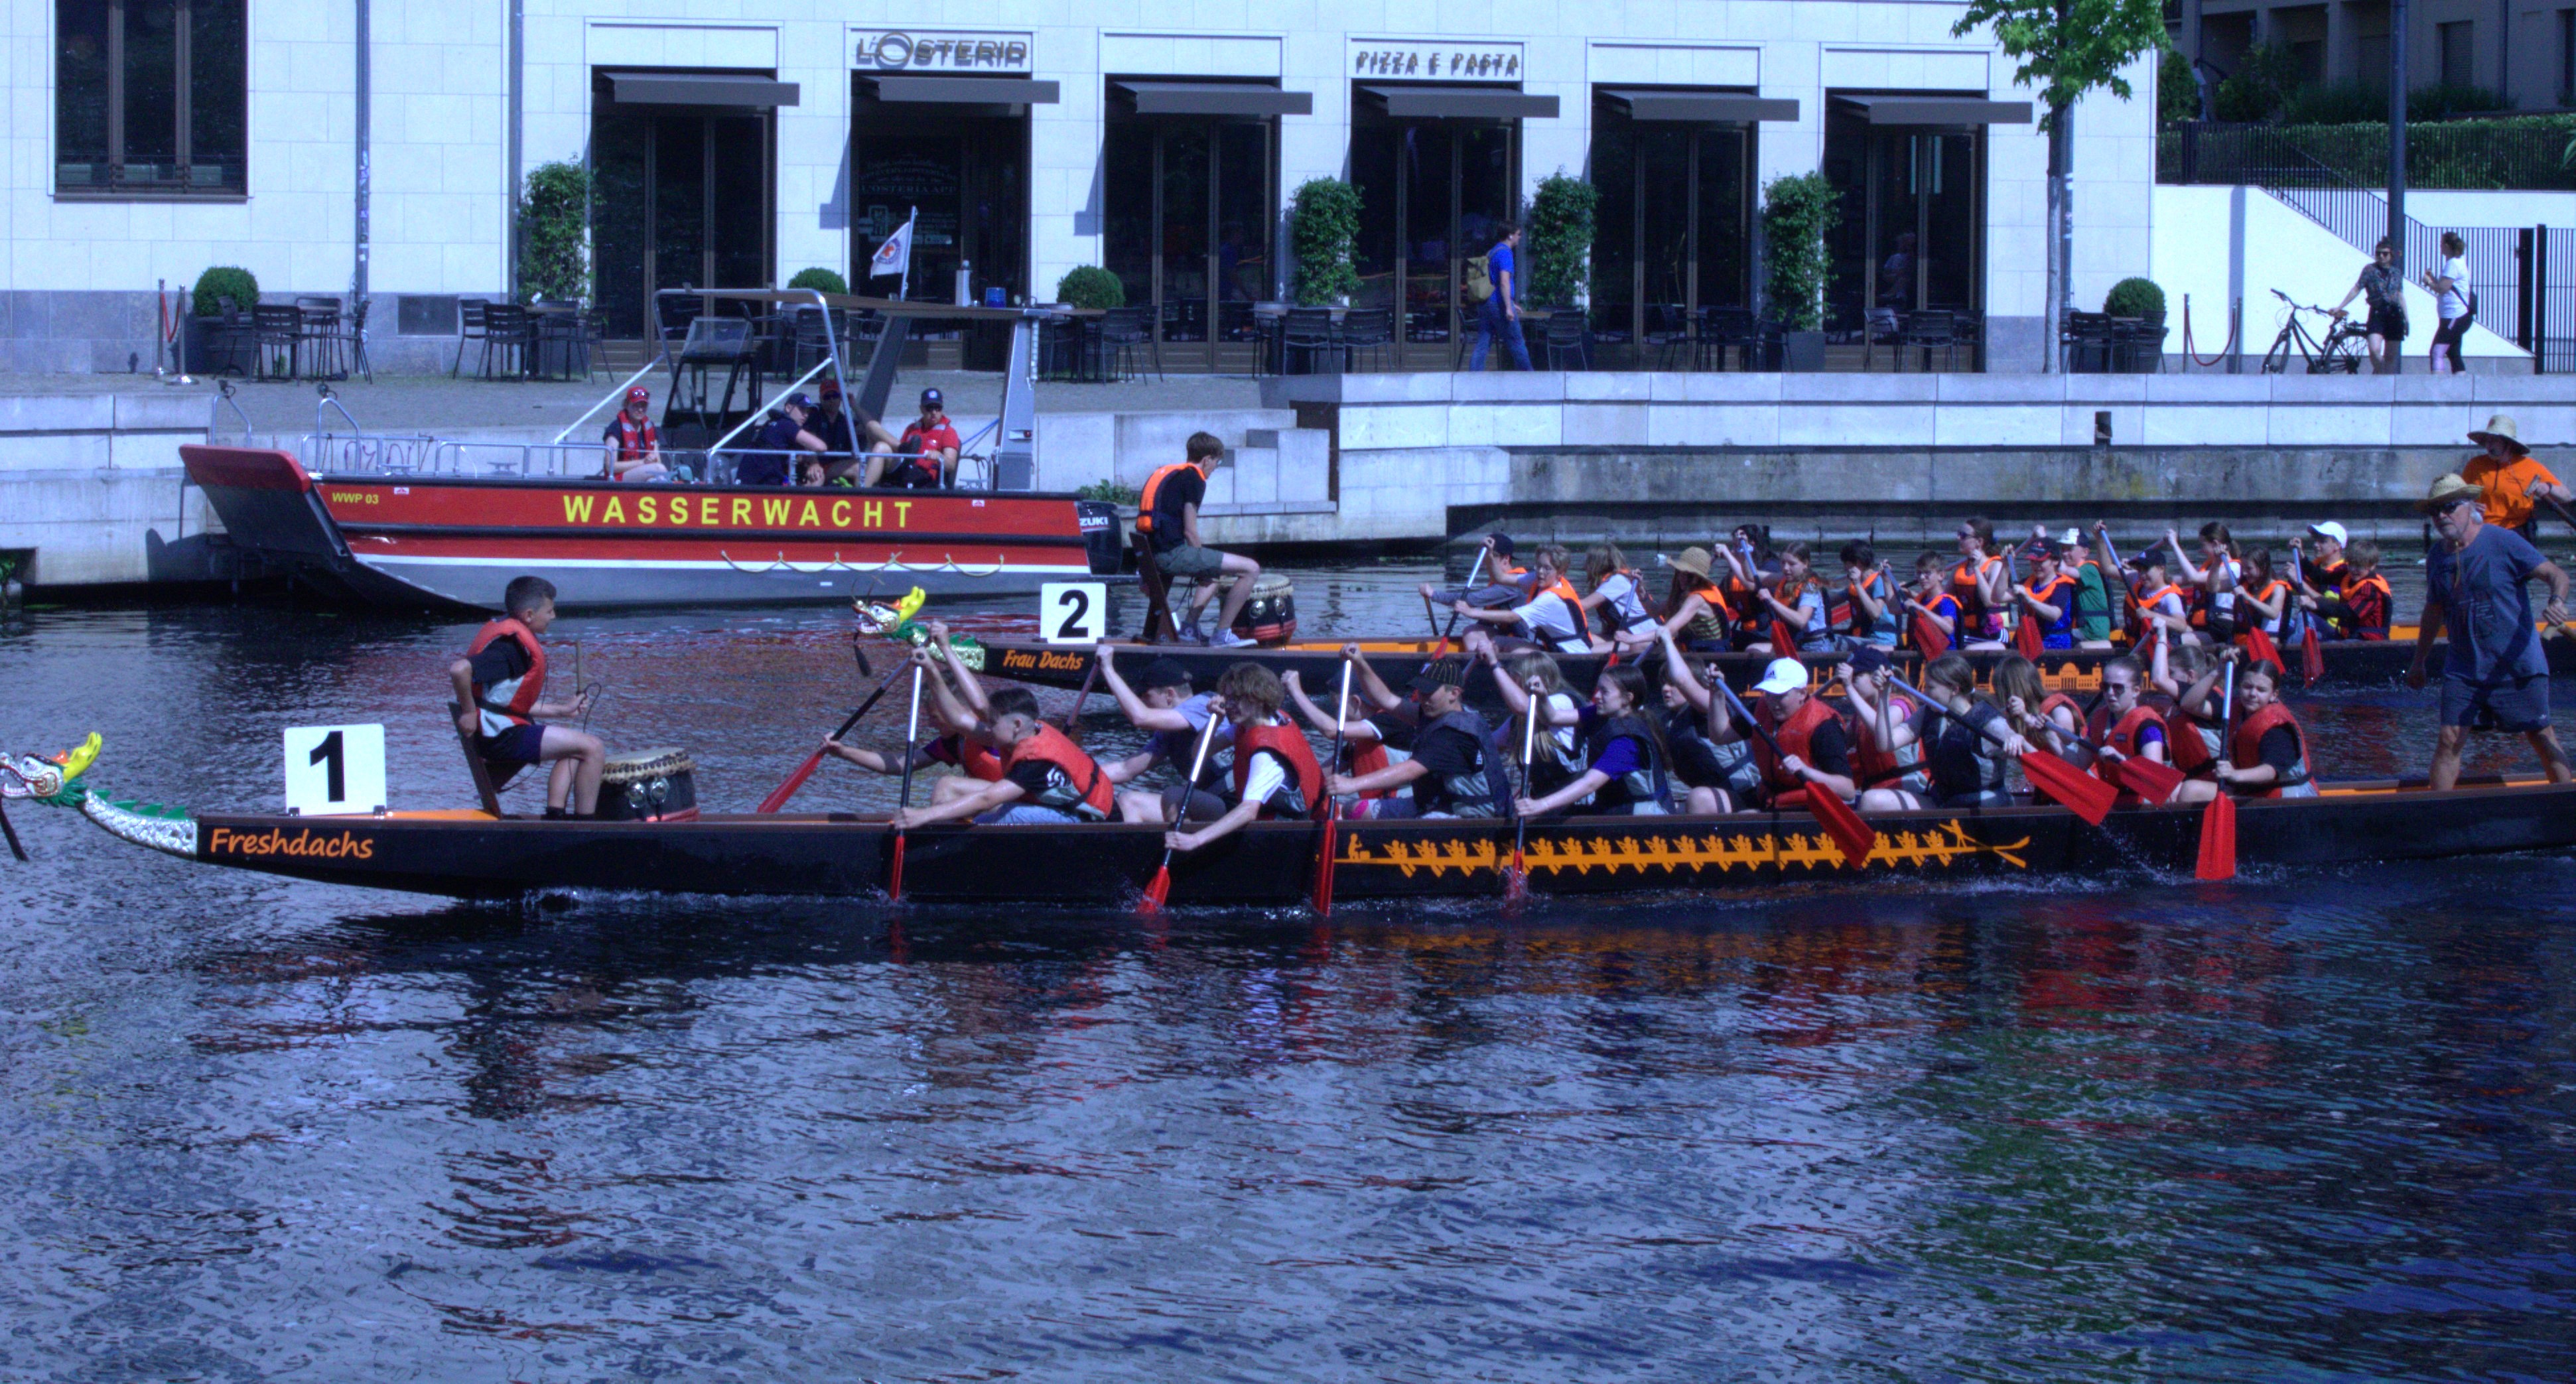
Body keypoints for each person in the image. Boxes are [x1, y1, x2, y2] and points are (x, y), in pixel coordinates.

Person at [2407, 472, 2576, 792]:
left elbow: (2557, 575)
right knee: (2449, 739)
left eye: (2449, 507)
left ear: (2470, 507)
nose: (2441, 516)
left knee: (2540, 735)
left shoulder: (2503, 541)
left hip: (2517, 664)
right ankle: (2435, 816)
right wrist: (2419, 661)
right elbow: (2433, 611)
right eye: (2435, 511)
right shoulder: (2436, 556)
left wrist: (2557, 601)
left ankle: (2566, 804)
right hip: (2464, 667)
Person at [446, 575, 603, 818]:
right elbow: (460, 670)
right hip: (501, 739)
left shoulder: (512, 641)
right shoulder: (510, 648)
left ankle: (557, 816)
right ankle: (587, 824)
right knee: (593, 748)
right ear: (529, 615)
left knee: (577, 746)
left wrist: (563, 709)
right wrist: (468, 713)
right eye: (549, 611)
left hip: (502, 733)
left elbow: (505, 707)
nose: (553, 617)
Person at [887, 686, 1116, 827]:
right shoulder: (1034, 729)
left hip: (1082, 820)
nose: (988, 730)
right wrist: (935, 662)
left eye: (993, 724)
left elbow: (987, 799)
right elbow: (975, 707)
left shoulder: (1036, 761)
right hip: (1070, 808)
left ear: (1016, 725)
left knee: (1007, 815)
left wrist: (924, 816)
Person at [1162, 663, 1323, 855]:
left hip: (1286, 832)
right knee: (1174, 796)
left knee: (1207, 827)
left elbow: (1249, 810)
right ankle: (1182, 849)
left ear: (1259, 699)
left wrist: (1196, 840)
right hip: (1260, 816)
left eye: (1237, 699)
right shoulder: (1254, 723)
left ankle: (1192, 847)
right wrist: (1215, 721)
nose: (1229, 705)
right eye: (1228, 698)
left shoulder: (1266, 754)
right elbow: (1199, 754)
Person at [1325, 659, 1511, 819]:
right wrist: (1360, 662)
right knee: (1352, 810)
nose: (1422, 699)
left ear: (1454, 693)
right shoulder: (1436, 713)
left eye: (1429, 693)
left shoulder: (1454, 736)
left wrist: (1352, 784)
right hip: (1435, 802)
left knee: (1413, 826)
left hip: (1466, 816)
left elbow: (1410, 770)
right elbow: (1387, 700)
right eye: (1420, 691)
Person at [1135, 431, 1261, 647]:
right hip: (1170, 555)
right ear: (1207, 460)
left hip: (1151, 554)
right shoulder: (1195, 479)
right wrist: (1202, 563)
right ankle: (1222, 635)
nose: (1214, 468)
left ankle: (1189, 630)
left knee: (1213, 571)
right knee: (1251, 569)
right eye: (1216, 463)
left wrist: (1206, 567)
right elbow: (1190, 532)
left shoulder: (1173, 475)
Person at [1501, 663, 1677, 818]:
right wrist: (1542, 697)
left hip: (1642, 819)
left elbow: (1590, 784)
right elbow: (1552, 717)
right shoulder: (1602, 714)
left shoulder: (1627, 741)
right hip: (1616, 808)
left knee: (1554, 813)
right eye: (1598, 689)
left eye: (1605, 692)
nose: (1597, 696)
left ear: (1627, 699)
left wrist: (1541, 805)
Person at [1094, 647, 1232, 824]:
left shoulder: (1204, 705)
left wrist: (1108, 669)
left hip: (1231, 800)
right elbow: (1126, 770)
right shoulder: (1169, 732)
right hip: (1210, 801)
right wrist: (1074, 773)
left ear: (1169, 695)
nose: (1142, 702)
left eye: (1146, 696)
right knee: (1129, 802)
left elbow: (1140, 717)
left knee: (1172, 794)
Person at [1897, 652, 2037, 810]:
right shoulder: (1929, 713)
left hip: (1981, 805)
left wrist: (2019, 740)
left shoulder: (1990, 723)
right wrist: (1884, 695)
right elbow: (1886, 743)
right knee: (1873, 800)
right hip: (1943, 801)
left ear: (1954, 689)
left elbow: (2036, 763)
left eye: (1931, 688)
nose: (1924, 693)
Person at [2172, 656, 2317, 802]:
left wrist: (2234, 775)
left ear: (2274, 695)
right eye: (2247, 687)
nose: (2252, 694)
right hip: (2255, 790)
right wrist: (2218, 671)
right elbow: (2188, 704)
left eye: (2261, 690)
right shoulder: (2235, 709)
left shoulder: (2278, 727)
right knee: (2186, 789)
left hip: (2287, 798)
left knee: (2191, 792)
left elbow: (2270, 771)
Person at [1653, 629, 1760, 813]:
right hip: (1714, 791)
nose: (1666, 689)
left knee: (1697, 798)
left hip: (1745, 794)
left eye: (1670, 684)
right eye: (1663, 683)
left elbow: (1683, 680)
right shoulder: (1669, 719)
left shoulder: (1710, 707)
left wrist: (1667, 640)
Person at [1731, 656, 1858, 810]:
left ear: (1802, 694)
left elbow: (1848, 790)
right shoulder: (1760, 709)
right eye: (1769, 694)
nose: (1773, 702)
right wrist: (1716, 694)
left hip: (1807, 807)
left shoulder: (1825, 726)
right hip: (1770, 799)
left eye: (1780, 695)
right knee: (1704, 798)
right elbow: (1718, 736)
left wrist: (1805, 770)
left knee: (1747, 817)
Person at [1452, 543, 1596, 655]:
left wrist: (1471, 612)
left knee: (1514, 651)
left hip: (1569, 655)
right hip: (1552, 648)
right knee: (1497, 642)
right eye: (1539, 566)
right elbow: (1500, 577)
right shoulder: (1539, 579)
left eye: (1547, 568)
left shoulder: (1551, 599)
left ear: (1560, 573)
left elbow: (1513, 616)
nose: (1540, 572)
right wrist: (1489, 555)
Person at [1838, 646, 1932, 813]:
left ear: (1877, 676)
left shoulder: (1900, 705)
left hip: (1912, 791)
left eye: (1857, 677)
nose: (1852, 682)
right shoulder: (1861, 715)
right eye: (1850, 678)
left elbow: (1878, 728)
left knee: (1870, 800)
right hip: (1880, 792)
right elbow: (1839, 748)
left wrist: (1848, 688)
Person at [2077, 655, 2174, 805]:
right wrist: (2049, 734)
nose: (2110, 693)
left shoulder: (2148, 726)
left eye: (2118, 688)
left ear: (2136, 691)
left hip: (2144, 805)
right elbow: (2077, 763)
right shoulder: (2099, 719)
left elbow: (2153, 778)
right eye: (2105, 687)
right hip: (2112, 799)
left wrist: (2121, 759)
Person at [2460, 414, 2571, 543]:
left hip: (2517, 532)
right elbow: (2458, 497)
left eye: (2494, 440)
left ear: (2508, 443)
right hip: (2482, 531)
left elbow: (2567, 497)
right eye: (2487, 440)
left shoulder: (2530, 467)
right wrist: (2470, 506)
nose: (2489, 445)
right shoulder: (2475, 465)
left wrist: (2548, 488)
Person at [1631, 545, 1733, 654]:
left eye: (1688, 575)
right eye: (1680, 573)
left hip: (1710, 653)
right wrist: (1640, 590)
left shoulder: (1697, 599)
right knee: (1637, 647)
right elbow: (1654, 611)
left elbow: (1668, 630)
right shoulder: (1685, 594)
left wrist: (1631, 638)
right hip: (1691, 647)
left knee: (1637, 646)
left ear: (1698, 578)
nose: (1682, 578)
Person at [2329, 237, 2407, 374]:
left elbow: (2400, 295)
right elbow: (2357, 288)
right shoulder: (2369, 270)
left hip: (2395, 314)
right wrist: (2340, 306)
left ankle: (2385, 384)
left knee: (2390, 356)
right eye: (2378, 253)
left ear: (2391, 256)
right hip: (2378, 312)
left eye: (2385, 254)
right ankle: (2381, 372)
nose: (2381, 257)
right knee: (2374, 349)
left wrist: (2407, 319)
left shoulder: (2396, 272)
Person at [866, 387, 963, 490]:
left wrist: (939, 457)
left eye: (938, 408)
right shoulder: (912, 428)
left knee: (881, 446)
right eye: (930, 408)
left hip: (924, 476)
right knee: (873, 431)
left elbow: (951, 465)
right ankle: (862, 494)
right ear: (921, 409)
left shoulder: (948, 432)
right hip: (904, 469)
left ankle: (864, 495)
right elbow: (899, 456)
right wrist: (855, 406)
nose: (934, 412)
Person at [1751, 541, 1836, 655]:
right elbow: (1750, 576)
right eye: (1783, 563)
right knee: (1753, 649)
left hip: (1814, 646)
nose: (1786, 568)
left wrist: (1771, 601)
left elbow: (1801, 621)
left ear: (1805, 564)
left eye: (1792, 564)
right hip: (1795, 642)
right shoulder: (1785, 580)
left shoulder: (1809, 587)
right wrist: (1745, 551)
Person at [2298, 536, 2390, 640]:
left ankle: (2296, 654)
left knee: (2329, 644)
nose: (2353, 570)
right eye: (2351, 565)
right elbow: (2320, 576)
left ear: (2372, 566)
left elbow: (2348, 612)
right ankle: (2295, 651)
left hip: (2366, 641)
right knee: (2305, 617)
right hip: (2345, 636)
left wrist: (2316, 605)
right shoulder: (2347, 575)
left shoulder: (2371, 589)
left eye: (2359, 566)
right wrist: (2301, 557)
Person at [1421, 533, 1536, 615]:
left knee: (1472, 635)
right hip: (1505, 637)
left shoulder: (1511, 586)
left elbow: (1470, 600)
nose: (1483, 563)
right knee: (1473, 631)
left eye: (1490, 557)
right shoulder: (1497, 583)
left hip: (1521, 640)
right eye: (1484, 557)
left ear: (1506, 559)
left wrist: (1433, 594)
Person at [807, 379, 896, 484]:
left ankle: (861, 496)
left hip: (835, 465)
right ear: (821, 399)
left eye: (835, 396)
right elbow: (808, 443)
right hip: (817, 465)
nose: (831, 400)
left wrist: (854, 405)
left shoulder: (844, 420)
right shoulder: (814, 414)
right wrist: (814, 463)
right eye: (827, 397)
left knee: (862, 466)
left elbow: (870, 426)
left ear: (840, 397)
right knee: (857, 468)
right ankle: (862, 496)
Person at [1469, 222, 1531, 372]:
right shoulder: (1505, 253)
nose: (1520, 238)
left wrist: (1510, 301)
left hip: (1486, 303)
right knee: (1516, 341)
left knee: (1483, 343)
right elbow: (1504, 281)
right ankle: (1529, 377)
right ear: (1511, 235)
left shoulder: (1493, 251)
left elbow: (1493, 280)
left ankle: (1472, 379)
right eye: (1518, 234)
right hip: (1498, 304)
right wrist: (1509, 307)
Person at [2167, 521, 2241, 644]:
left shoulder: (2233, 567)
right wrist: (2140, 573)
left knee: (2174, 642)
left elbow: (2194, 577)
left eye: (2203, 545)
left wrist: (2175, 545)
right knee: (2163, 633)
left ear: (2216, 544)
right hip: (2202, 624)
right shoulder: (2209, 567)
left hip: (2220, 628)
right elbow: (2174, 580)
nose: (2201, 550)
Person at [1579, 543, 1661, 645]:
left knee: (1588, 649)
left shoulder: (1617, 581)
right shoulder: (1608, 582)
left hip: (1642, 637)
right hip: (1624, 635)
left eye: (1588, 561)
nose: (1585, 566)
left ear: (1596, 564)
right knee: (1581, 641)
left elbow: (1582, 606)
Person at [737, 393, 827, 486]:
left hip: (752, 477)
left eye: (808, 411)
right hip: (760, 483)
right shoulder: (787, 425)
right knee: (818, 477)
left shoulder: (772, 423)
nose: (806, 415)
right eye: (802, 409)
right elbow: (821, 446)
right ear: (788, 408)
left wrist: (814, 464)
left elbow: (800, 455)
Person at [1946, 518, 2010, 648]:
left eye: (1963, 535)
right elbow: (1942, 598)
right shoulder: (1961, 569)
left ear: (1979, 542)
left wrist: (1976, 568)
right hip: (1969, 632)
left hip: (1994, 635)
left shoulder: (1995, 566)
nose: (1958, 538)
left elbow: (1989, 601)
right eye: (1958, 534)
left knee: (1964, 648)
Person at [2007, 539, 2080, 651]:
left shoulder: (2062, 586)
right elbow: (1997, 597)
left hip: (2055, 646)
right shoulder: (2028, 582)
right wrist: (2004, 566)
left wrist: (2028, 599)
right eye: (2033, 561)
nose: (2036, 566)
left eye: (2041, 562)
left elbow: (2054, 615)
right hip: (2028, 642)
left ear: (2055, 561)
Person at [2423, 231, 2473, 376]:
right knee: (2453, 352)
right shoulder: (2457, 262)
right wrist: (2433, 278)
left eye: (2441, 244)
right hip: (2454, 316)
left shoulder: (2453, 264)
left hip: (2454, 316)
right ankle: (2462, 388)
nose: (2440, 247)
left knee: (2437, 352)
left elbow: (2442, 288)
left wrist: (2429, 282)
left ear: (2446, 246)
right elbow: (2447, 286)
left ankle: (2438, 390)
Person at [1839, 541, 1899, 652]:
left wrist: (1857, 584)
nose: (1844, 568)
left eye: (1846, 563)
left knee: (1834, 644)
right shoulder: (1858, 584)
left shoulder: (1878, 581)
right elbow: (1831, 600)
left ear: (1858, 563)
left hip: (1881, 641)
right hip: (1864, 638)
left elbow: (1875, 614)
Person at [1903, 551, 1966, 656]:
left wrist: (1922, 609)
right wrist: (1887, 581)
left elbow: (1949, 628)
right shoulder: (1920, 600)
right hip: (1925, 654)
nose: (1922, 578)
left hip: (1946, 658)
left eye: (1927, 573)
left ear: (1941, 575)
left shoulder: (1946, 602)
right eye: (1919, 573)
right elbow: (1893, 609)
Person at [601, 384, 669, 482]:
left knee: (660, 475)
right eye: (636, 405)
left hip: (642, 474)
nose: (640, 410)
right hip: (617, 479)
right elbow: (610, 466)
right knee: (659, 470)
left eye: (643, 406)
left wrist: (651, 460)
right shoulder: (616, 428)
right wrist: (643, 462)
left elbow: (657, 460)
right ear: (626, 405)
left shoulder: (650, 428)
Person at [2065, 527, 2117, 649]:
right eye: (2063, 549)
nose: (2064, 553)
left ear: (2085, 552)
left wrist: (2047, 555)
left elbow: (2063, 569)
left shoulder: (2089, 569)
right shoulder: (2072, 571)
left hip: (2093, 632)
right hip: (2085, 628)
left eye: (2070, 549)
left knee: (2057, 637)